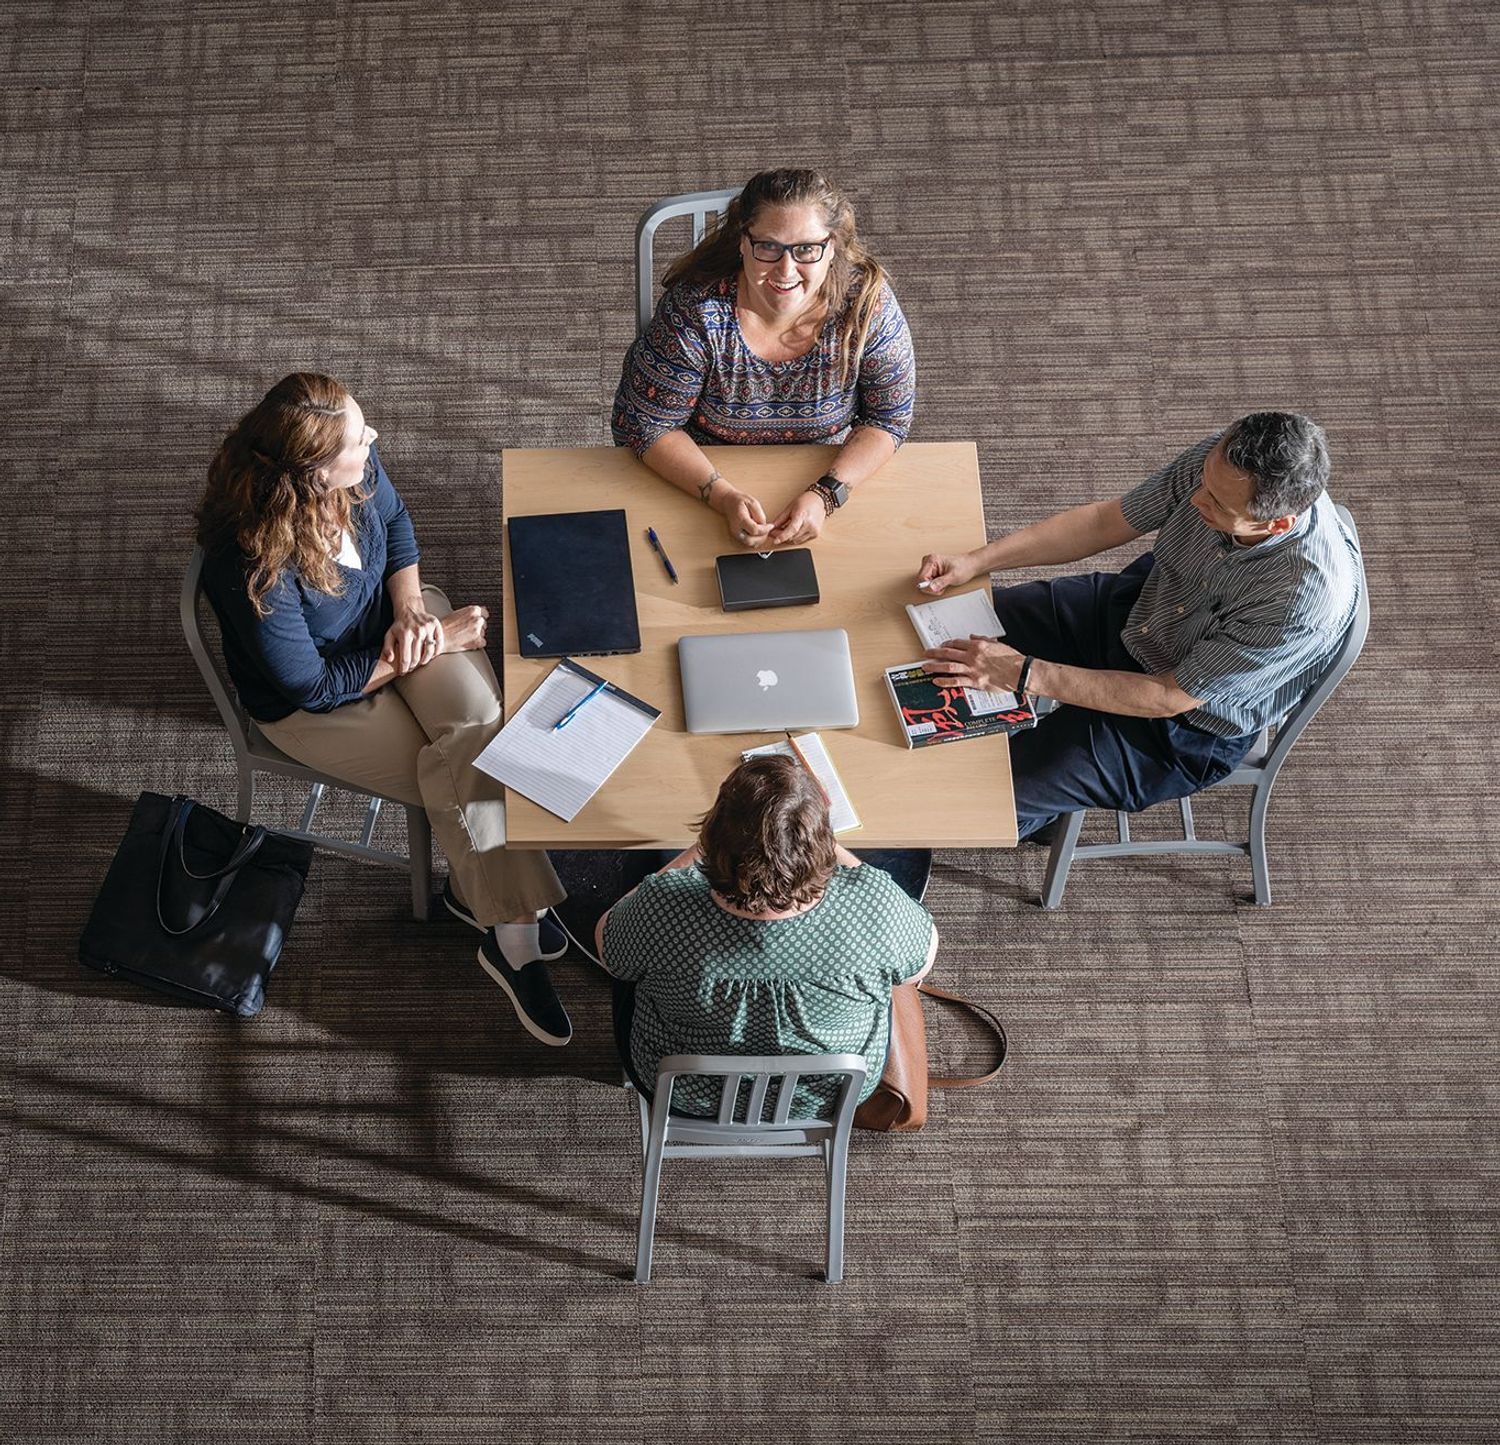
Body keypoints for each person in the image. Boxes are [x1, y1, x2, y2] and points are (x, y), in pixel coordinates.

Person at [196, 372, 574, 1046]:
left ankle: (492, 903)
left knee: (478, 742)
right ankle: (512, 930)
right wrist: (440, 640)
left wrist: (409, 612)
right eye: (356, 438)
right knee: (467, 765)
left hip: (397, 626)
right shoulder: (254, 565)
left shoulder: (358, 469)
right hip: (316, 706)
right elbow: (309, 686)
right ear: (313, 470)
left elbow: (397, 527)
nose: (372, 439)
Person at [916, 411, 1363, 841]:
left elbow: (1168, 695)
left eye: (1216, 503)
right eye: (1204, 479)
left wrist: (1024, 674)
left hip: (1182, 723)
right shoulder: (1226, 467)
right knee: (951, 625)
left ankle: (1039, 816)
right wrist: (975, 561)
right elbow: (1105, 521)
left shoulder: (1302, 603)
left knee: (983, 798)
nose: (1195, 499)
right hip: (1142, 613)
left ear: (1277, 523)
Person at [594, 757, 937, 1118]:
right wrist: (828, 845)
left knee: (632, 958)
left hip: (683, 1093)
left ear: (716, 833)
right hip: (828, 1096)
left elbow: (609, 949)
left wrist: (696, 850)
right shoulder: (874, 903)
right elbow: (919, 968)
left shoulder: (663, 904)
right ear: (821, 839)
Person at [612, 167, 916, 551]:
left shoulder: (868, 307)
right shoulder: (695, 310)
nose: (786, 271)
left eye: (806, 248)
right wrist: (720, 495)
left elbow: (888, 419)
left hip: (827, 467)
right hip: (699, 474)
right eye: (769, 247)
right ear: (744, 242)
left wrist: (827, 494)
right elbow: (645, 424)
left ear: (832, 246)